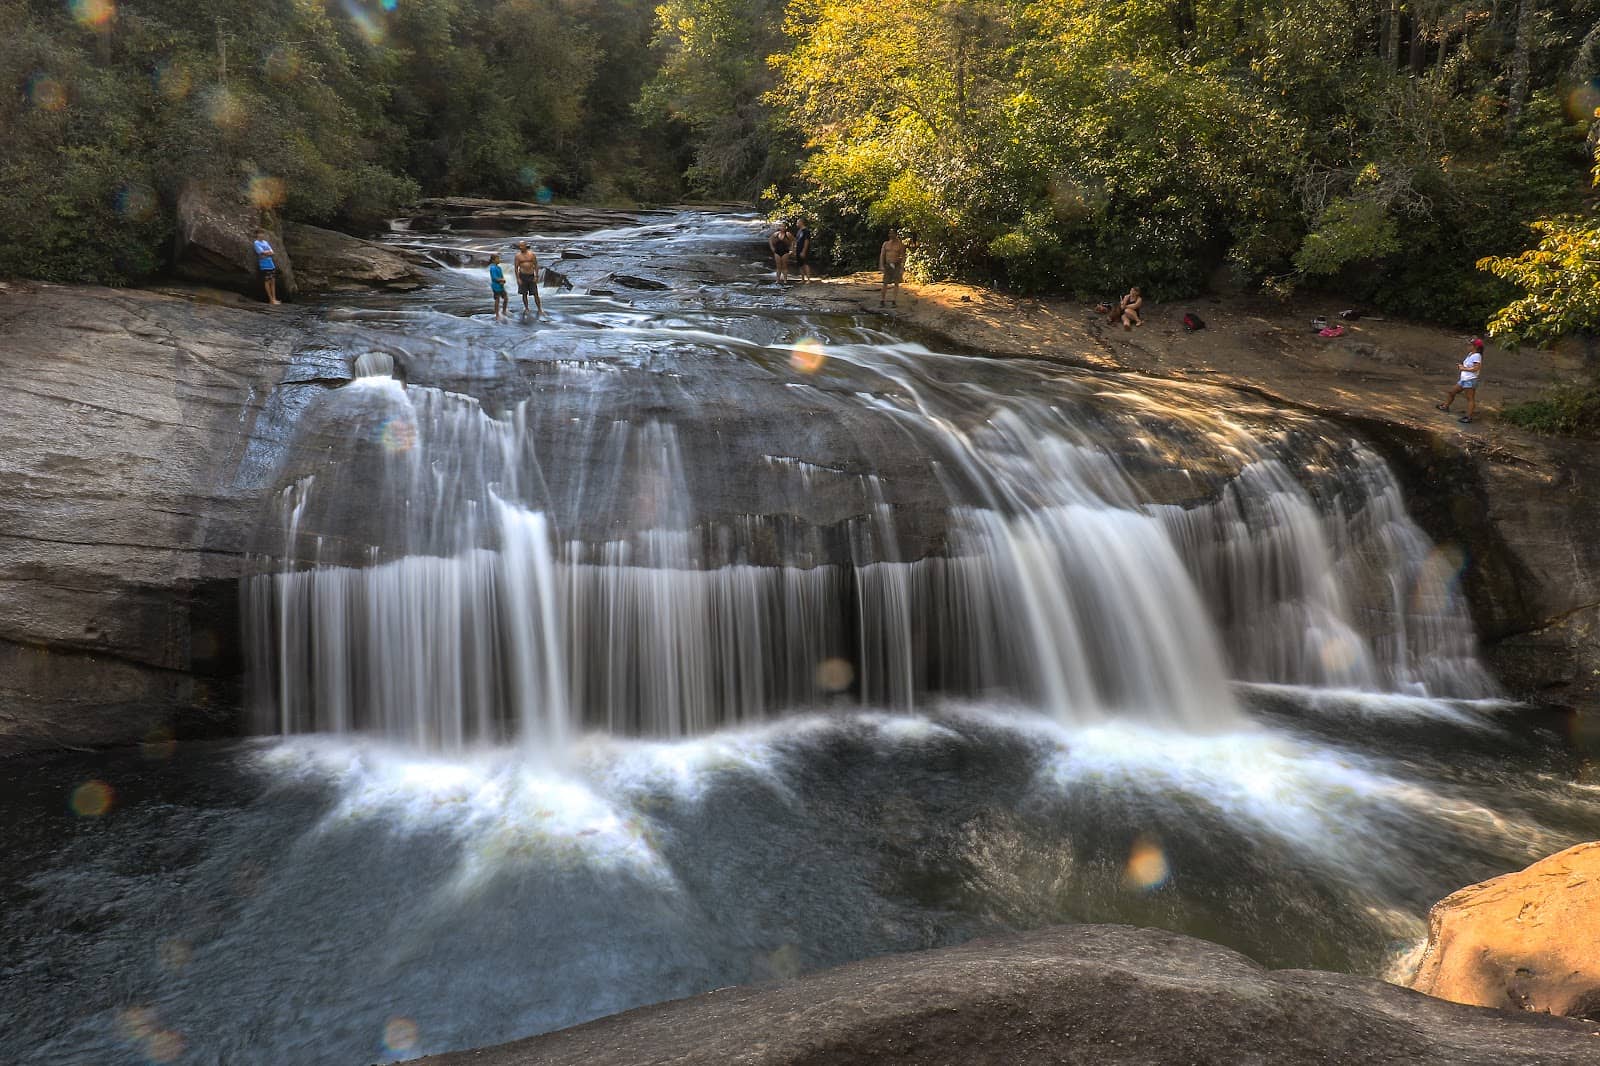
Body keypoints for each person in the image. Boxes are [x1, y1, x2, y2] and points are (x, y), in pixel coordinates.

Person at [1435, 338, 1485, 423]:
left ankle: (1468, 417)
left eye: (1470, 345)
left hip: (1470, 380)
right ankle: (1445, 406)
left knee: (1470, 399)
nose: (1468, 346)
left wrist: (1463, 368)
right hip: (1464, 379)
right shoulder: (1470, 354)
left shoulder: (1477, 356)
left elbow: (1476, 368)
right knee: (1451, 392)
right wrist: (1462, 366)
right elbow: (1469, 366)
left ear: (1476, 347)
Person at [513, 241, 544, 316]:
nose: (520, 247)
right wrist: (518, 279)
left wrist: (536, 276)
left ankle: (540, 309)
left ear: (525, 246)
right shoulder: (518, 256)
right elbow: (516, 268)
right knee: (524, 294)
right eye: (519, 246)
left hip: (531, 275)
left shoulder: (532, 254)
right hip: (522, 276)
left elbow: (536, 265)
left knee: (535, 293)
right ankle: (526, 308)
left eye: (522, 246)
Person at [253, 229, 281, 305]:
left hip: (271, 263)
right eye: (260, 233)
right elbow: (261, 252)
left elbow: (272, 252)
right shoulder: (256, 243)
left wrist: (267, 253)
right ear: (257, 235)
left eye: (263, 233)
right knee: (267, 281)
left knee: (273, 281)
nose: (262, 235)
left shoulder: (265, 242)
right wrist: (267, 253)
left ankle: (274, 298)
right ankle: (271, 300)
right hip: (264, 264)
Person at [879, 229, 907, 307]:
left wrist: (902, 267)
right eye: (889, 233)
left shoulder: (899, 244)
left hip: (896, 265)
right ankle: (882, 300)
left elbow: (903, 256)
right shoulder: (885, 244)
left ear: (895, 234)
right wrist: (881, 265)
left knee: (896, 283)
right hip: (888, 265)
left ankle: (894, 301)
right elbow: (882, 255)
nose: (890, 235)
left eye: (892, 233)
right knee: (885, 283)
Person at [487, 253, 509, 322]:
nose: (499, 260)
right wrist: (501, 280)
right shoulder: (493, 268)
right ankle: (497, 315)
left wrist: (503, 280)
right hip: (496, 286)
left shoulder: (499, 267)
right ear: (493, 260)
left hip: (501, 286)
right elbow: (494, 278)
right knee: (497, 300)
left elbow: (501, 276)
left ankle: (504, 311)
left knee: (506, 298)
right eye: (497, 259)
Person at [793, 218, 814, 283]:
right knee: (800, 264)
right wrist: (794, 249)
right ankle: (802, 279)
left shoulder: (806, 231)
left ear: (801, 222)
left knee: (805, 264)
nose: (797, 224)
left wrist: (804, 251)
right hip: (798, 249)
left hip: (804, 250)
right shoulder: (799, 231)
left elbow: (806, 241)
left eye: (798, 222)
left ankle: (808, 279)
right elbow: (796, 240)